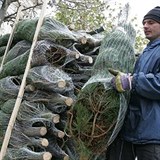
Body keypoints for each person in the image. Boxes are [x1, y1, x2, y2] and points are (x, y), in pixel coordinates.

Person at [106, 6, 160, 160]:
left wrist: (132, 81)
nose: (145, 26)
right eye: (144, 23)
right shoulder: (146, 52)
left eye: (151, 22)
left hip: (153, 132)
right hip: (132, 128)